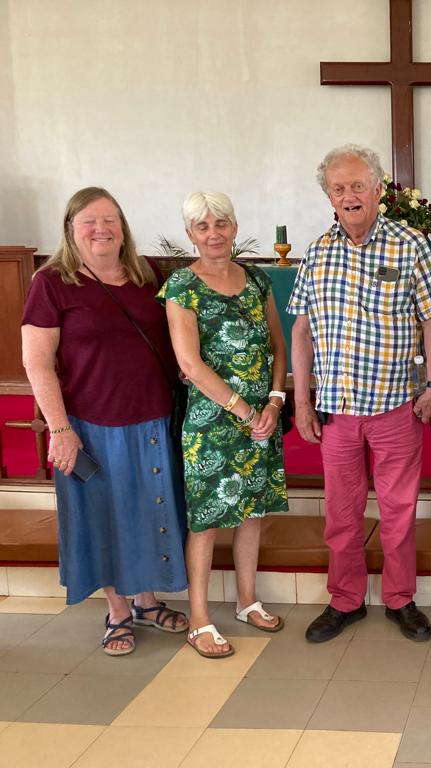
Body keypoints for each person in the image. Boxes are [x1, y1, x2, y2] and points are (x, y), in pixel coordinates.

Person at [289, 144, 431, 644]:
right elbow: (301, 331)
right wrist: (300, 399)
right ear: (329, 198)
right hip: (336, 411)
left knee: (399, 512)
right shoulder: (317, 252)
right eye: (339, 189)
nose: (349, 196)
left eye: (358, 185)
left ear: (378, 190)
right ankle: (346, 600)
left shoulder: (410, 244)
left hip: (395, 407)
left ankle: (401, 599)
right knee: (341, 513)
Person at [21, 187, 188, 656]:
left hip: (152, 419)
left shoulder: (145, 274)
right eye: (89, 221)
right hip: (90, 423)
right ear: (71, 229)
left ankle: (147, 601)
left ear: (123, 227)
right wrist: (59, 428)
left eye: (110, 220)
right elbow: (36, 362)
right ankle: (117, 610)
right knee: (105, 516)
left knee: (152, 509)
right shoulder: (51, 282)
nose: (101, 229)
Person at [160, 191, 288, 659]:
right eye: (202, 226)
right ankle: (198, 618)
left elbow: (278, 344)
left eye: (221, 223)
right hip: (213, 424)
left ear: (235, 226)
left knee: (252, 511)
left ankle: (246, 600)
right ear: (191, 234)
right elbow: (189, 364)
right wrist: (245, 411)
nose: (214, 233)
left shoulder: (257, 279)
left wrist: (274, 402)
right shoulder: (182, 287)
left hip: (262, 420)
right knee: (207, 521)